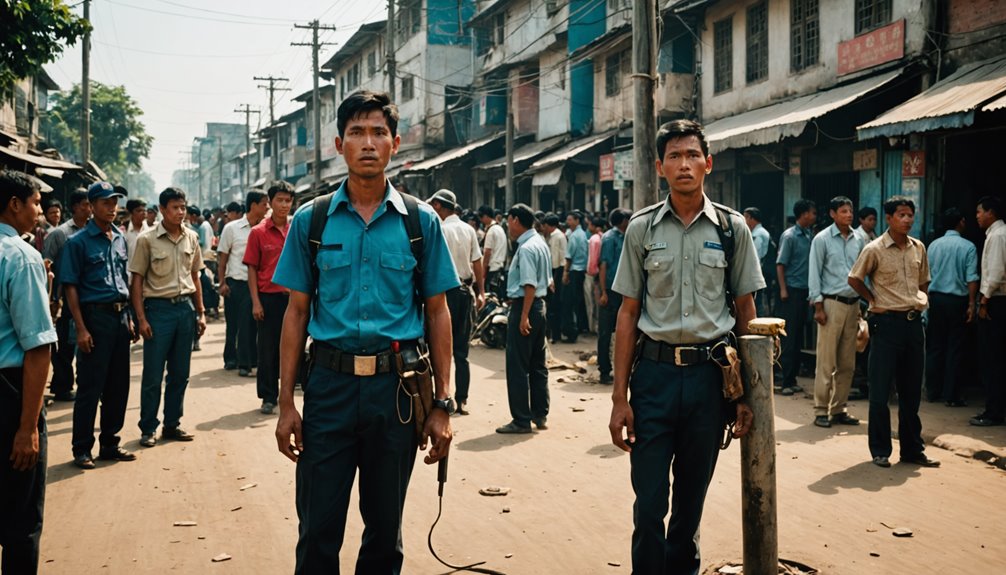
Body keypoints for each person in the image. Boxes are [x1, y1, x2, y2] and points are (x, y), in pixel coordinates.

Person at [272, 90, 456, 573]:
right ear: (339, 144)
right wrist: (287, 402)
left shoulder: (420, 223)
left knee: (384, 533)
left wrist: (442, 403)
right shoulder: (311, 221)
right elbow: (295, 314)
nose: (368, 143)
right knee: (317, 530)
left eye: (378, 132)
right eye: (356, 132)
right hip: (328, 388)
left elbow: (438, 312)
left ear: (395, 144)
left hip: (395, 392)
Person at [608, 120, 759, 573]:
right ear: (660, 167)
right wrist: (619, 398)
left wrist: (748, 394)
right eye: (674, 156)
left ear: (708, 163)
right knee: (649, 503)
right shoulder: (640, 229)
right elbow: (628, 314)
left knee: (690, 505)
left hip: (709, 380)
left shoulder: (733, 230)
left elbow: (747, 310)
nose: (684, 165)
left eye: (692, 155)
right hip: (653, 379)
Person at [848, 196, 939, 468]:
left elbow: (924, 281)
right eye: (901, 215)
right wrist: (873, 300)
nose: (908, 219)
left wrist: (920, 301)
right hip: (886, 326)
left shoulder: (919, 248)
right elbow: (854, 278)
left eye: (910, 215)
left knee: (911, 392)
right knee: (880, 392)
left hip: (913, 325)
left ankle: (912, 450)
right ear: (889, 218)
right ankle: (880, 450)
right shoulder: (874, 249)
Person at [0, 170, 57, 574]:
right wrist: (27, 427)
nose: (39, 211)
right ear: (14, 204)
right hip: (10, 393)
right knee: (20, 521)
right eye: (36, 202)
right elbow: (38, 348)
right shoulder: (21, 257)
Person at [60, 182, 137, 469]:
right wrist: (80, 328)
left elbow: (122, 282)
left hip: (118, 317)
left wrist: (128, 318)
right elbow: (70, 288)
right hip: (94, 317)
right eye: (106, 202)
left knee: (118, 386)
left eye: (115, 201)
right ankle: (82, 448)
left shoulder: (119, 238)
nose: (112, 207)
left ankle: (110, 443)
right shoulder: (77, 242)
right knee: (91, 387)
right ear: (91, 206)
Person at [129, 187, 206, 448]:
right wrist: (141, 318)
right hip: (158, 312)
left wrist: (201, 312)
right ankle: (148, 428)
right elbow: (137, 281)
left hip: (185, 310)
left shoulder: (192, 238)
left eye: (183, 207)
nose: (181, 212)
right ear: (162, 209)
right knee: (152, 374)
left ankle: (172, 424)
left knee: (180, 373)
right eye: (175, 207)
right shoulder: (146, 239)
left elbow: (196, 277)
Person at [807, 196, 866, 428]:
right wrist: (818, 306)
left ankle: (839, 409)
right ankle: (821, 410)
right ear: (832, 214)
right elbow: (814, 273)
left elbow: (863, 272)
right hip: (831, 305)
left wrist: (864, 305)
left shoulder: (859, 239)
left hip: (853, 305)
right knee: (826, 361)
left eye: (850, 211)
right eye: (843, 211)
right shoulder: (821, 239)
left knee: (847, 362)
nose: (848, 215)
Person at [496, 203, 552, 434]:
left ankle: (521, 419)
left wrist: (524, 316)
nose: (508, 225)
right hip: (539, 306)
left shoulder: (527, 247)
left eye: (509, 220)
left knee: (518, 366)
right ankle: (540, 414)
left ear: (516, 220)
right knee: (538, 364)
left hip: (526, 306)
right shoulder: (540, 243)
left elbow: (529, 284)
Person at [428, 189, 483, 416]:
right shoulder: (469, 229)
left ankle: (441, 397)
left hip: (444, 295)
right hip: (466, 292)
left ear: (439, 206)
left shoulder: (439, 229)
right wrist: (481, 291)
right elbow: (477, 262)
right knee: (462, 351)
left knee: (438, 348)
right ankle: (461, 401)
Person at [243, 181, 295, 415]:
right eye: (279, 200)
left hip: (295, 299)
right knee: (268, 349)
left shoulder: (297, 228)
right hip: (268, 298)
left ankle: (292, 392)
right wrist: (256, 302)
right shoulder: (258, 233)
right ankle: (268, 396)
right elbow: (252, 269)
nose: (284, 205)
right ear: (270, 203)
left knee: (295, 346)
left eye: (288, 201)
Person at [925, 208, 978, 407]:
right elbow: (971, 277)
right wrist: (972, 304)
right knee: (955, 347)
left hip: (936, 299)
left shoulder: (933, 246)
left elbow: (926, 275)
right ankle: (952, 395)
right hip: (958, 301)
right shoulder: (968, 247)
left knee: (935, 346)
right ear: (961, 222)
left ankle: (932, 391)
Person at [42, 188, 91, 402]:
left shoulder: (93, 231)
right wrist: (51, 299)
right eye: (85, 205)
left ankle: (84, 383)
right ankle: (62, 386)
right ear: (74, 207)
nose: (89, 209)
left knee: (85, 343)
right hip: (63, 298)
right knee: (63, 345)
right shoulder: (59, 234)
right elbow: (46, 265)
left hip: (87, 297)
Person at [218, 191, 267, 376]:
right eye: (264, 204)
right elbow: (223, 258)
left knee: (248, 324)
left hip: (255, 284)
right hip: (235, 282)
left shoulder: (265, 228)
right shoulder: (232, 229)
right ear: (253, 205)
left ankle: (246, 363)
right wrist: (222, 283)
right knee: (233, 324)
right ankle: (231, 358)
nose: (267, 208)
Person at [775, 199, 816, 395]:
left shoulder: (809, 235)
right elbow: (781, 264)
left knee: (799, 336)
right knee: (789, 337)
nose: (814, 216)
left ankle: (792, 379)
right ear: (803, 214)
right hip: (791, 291)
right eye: (812, 213)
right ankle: (785, 381)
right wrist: (783, 289)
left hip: (805, 292)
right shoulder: (789, 236)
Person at [972, 196, 1006, 426]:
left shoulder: (997, 235)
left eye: (979, 212)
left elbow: (995, 272)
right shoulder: (998, 234)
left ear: (990, 212)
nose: (977, 216)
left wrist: (983, 301)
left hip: (995, 300)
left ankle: (993, 411)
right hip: (997, 299)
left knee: (992, 358)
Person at [597, 208, 630, 385]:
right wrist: (603, 292)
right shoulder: (610, 238)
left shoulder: (627, 235)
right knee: (605, 333)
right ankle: (604, 370)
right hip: (611, 291)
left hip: (626, 291)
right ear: (623, 220)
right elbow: (603, 266)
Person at [562, 211, 588, 343]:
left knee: (569, 303)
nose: (568, 222)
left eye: (570, 220)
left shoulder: (574, 236)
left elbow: (569, 257)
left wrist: (565, 273)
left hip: (574, 271)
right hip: (581, 271)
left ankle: (572, 330)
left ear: (577, 220)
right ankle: (579, 327)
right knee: (577, 301)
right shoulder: (583, 234)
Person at [541, 212, 566, 343]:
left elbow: (555, 259)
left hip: (556, 271)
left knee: (554, 305)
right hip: (555, 271)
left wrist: (552, 279)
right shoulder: (554, 236)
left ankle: (554, 334)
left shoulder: (556, 236)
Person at [743, 206, 772, 316]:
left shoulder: (758, 234)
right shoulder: (761, 232)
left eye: (745, 217)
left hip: (758, 272)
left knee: (757, 301)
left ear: (751, 218)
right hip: (762, 271)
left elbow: (754, 255)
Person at [479, 204, 507, 300]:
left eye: (481, 217)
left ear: (486, 216)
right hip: (500, 268)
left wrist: (482, 273)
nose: (481, 220)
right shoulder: (500, 229)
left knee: (491, 299)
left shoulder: (491, 231)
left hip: (492, 270)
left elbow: (487, 253)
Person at [585, 215, 603, 334]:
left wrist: (591, 272)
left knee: (590, 301)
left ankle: (592, 326)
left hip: (593, 275)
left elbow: (592, 260)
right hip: (602, 274)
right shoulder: (604, 237)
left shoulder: (594, 239)